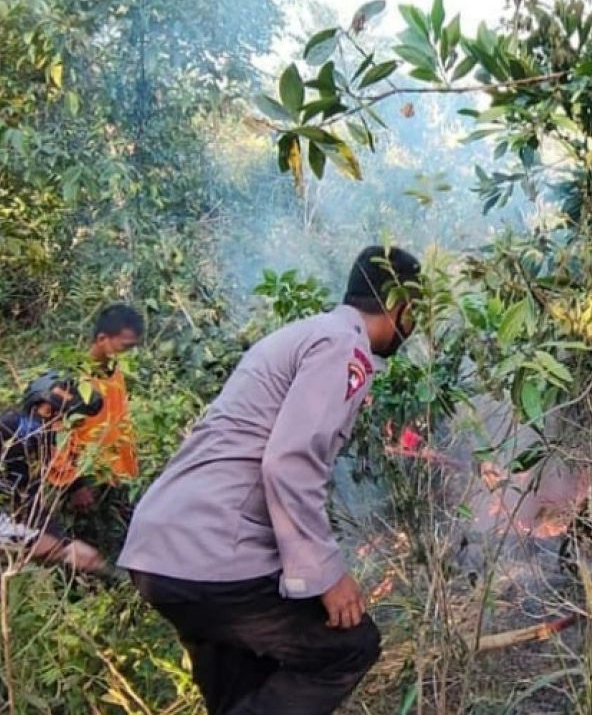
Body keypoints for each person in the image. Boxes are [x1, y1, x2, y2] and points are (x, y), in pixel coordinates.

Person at [119, 246, 420, 715]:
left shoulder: (307, 333)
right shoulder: (344, 345)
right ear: (400, 303)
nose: (415, 326)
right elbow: (291, 460)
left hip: (161, 551)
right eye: (416, 311)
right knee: (350, 647)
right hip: (213, 553)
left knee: (243, 692)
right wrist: (325, 573)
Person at [47, 304, 144, 550]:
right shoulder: (70, 380)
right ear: (102, 339)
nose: (129, 354)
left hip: (115, 479)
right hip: (85, 482)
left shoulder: (115, 374)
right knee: (83, 550)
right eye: (125, 347)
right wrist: (75, 485)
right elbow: (55, 435)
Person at [1, 371, 108, 575]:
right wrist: (64, 549)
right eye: (64, 420)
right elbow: (18, 512)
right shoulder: (12, 435)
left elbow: (27, 496)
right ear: (45, 410)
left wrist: (75, 485)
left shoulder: (34, 441)